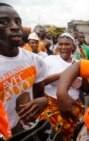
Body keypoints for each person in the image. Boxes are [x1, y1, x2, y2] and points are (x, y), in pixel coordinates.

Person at [0, 3, 48, 135]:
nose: (15, 27)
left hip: (27, 132)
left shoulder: (35, 60)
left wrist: (43, 101)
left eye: (18, 21)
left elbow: (40, 95)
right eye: (3, 22)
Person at [38, 33, 85, 141]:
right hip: (52, 105)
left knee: (72, 133)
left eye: (67, 44)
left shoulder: (78, 63)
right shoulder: (49, 60)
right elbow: (40, 82)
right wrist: (63, 74)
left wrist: (82, 74)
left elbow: (85, 88)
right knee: (52, 135)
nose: (63, 47)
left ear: (73, 46)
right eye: (60, 44)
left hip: (73, 105)